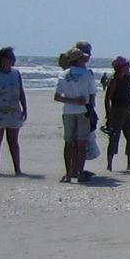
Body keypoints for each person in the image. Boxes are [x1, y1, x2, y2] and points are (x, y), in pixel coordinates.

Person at [53, 47, 95, 182]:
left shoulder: (63, 74)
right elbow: (92, 96)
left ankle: (68, 174)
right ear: (80, 59)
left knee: (68, 142)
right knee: (81, 143)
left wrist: (72, 101)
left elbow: (57, 97)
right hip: (83, 111)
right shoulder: (87, 74)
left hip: (68, 111)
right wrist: (86, 106)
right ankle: (80, 173)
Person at [0, 46, 27, 175]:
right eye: (11, 58)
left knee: (13, 140)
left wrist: (24, 108)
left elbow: (21, 92)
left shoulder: (16, 73)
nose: (14, 60)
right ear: (3, 59)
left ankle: (17, 168)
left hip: (14, 110)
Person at [103, 56, 130, 171]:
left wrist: (129, 74)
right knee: (114, 138)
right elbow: (107, 99)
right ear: (121, 67)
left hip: (129, 110)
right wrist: (109, 115)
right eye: (127, 65)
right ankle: (109, 165)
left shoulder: (127, 79)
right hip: (117, 111)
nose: (129, 67)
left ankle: (129, 165)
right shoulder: (114, 80)